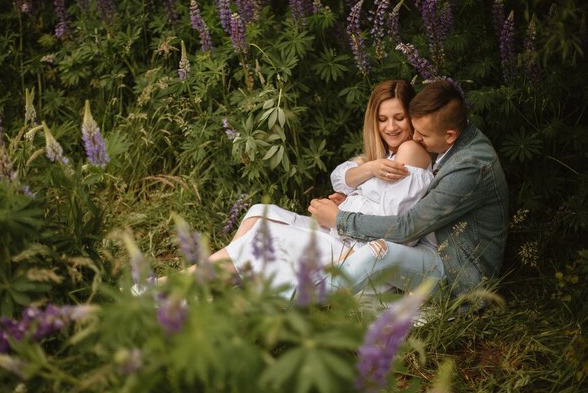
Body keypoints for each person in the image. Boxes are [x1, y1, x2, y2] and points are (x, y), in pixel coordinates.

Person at [162, 79, 443, 299]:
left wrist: (340, 214)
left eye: (399, 118)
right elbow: (340, 177)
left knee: (264, 236)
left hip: (356, 254)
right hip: (343, 238)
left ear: (412, 117)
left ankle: (175, 287)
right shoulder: (387, 154)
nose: (390, 127)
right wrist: (367, 172)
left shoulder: (409, 150)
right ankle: (213, 285)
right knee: (260, 213)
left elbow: (394, 228)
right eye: (382, 119)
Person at [309, 79, 510, 298]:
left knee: (378, 253)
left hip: (458, 276)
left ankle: (300, 302)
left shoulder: (469, 168)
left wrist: (341, 220)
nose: (414, 137)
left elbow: (407, 227)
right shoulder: (455, 142)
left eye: (422, 134)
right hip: (432, 248)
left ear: (450, 135)